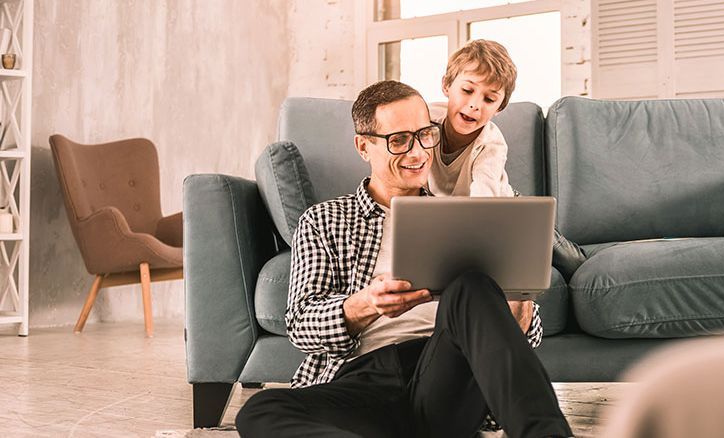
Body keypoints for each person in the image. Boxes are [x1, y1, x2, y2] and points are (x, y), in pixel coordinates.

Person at [235, 79, 573, 438]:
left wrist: (517, 297)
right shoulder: (324, 220)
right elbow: (301, 325)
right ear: (363, 146)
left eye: (426, 135)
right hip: (361, 381)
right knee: (260, 410)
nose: (417, 154)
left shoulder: (468, 214)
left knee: (471, 286)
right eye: (399, 140)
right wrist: (365, 304)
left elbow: (523, 340)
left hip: (447, 378)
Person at [427, 39, 587, 279]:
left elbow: (484, 204)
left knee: (571, 262)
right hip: (452, 208)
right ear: (446, 85)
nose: (474, 105)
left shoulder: (491, 142)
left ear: (499, 108)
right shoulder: (424, 121)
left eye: (489, 99)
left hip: (502, 205)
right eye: (467, 90)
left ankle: (588, 256)